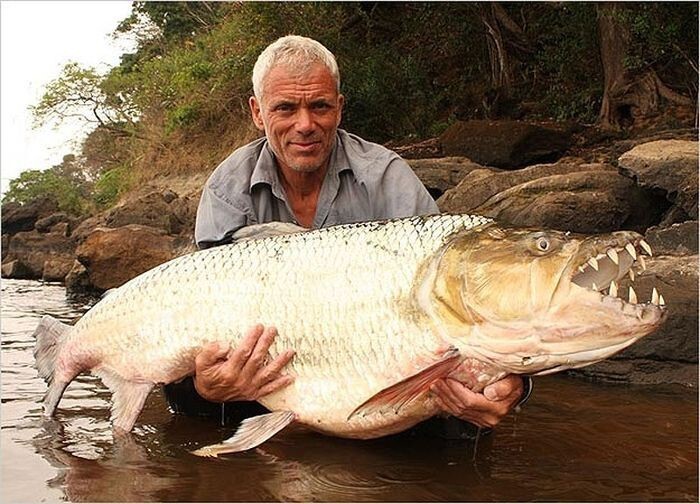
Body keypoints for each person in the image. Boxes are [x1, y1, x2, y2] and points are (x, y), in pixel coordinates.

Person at [165, 35, 531, 437]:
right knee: (187, 399)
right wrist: (206, 387)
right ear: (257, 112)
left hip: (377, 365)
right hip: (269, 373)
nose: (305, 125)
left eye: (319, 106)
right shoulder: (227, 188)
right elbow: (198, 314)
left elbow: (458, 303)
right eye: (285, 108)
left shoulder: (386, 176)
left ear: (339, 108)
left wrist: (513, 383)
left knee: (462, 421)